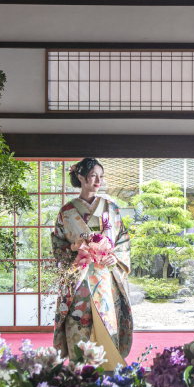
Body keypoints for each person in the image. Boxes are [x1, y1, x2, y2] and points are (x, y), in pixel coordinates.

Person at [52, 158, 133, 368]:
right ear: (80, 177)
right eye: (93, 175)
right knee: (79, 321)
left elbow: (122, 238)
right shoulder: (66, 212)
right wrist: (72, 248)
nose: (98, 180)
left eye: (101, 175)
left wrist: (115, 257)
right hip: (79, 276)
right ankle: (78, 370)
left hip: (105, 277)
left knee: (106, 321)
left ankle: (107, 369)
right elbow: (57, 242)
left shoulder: (110, 208)